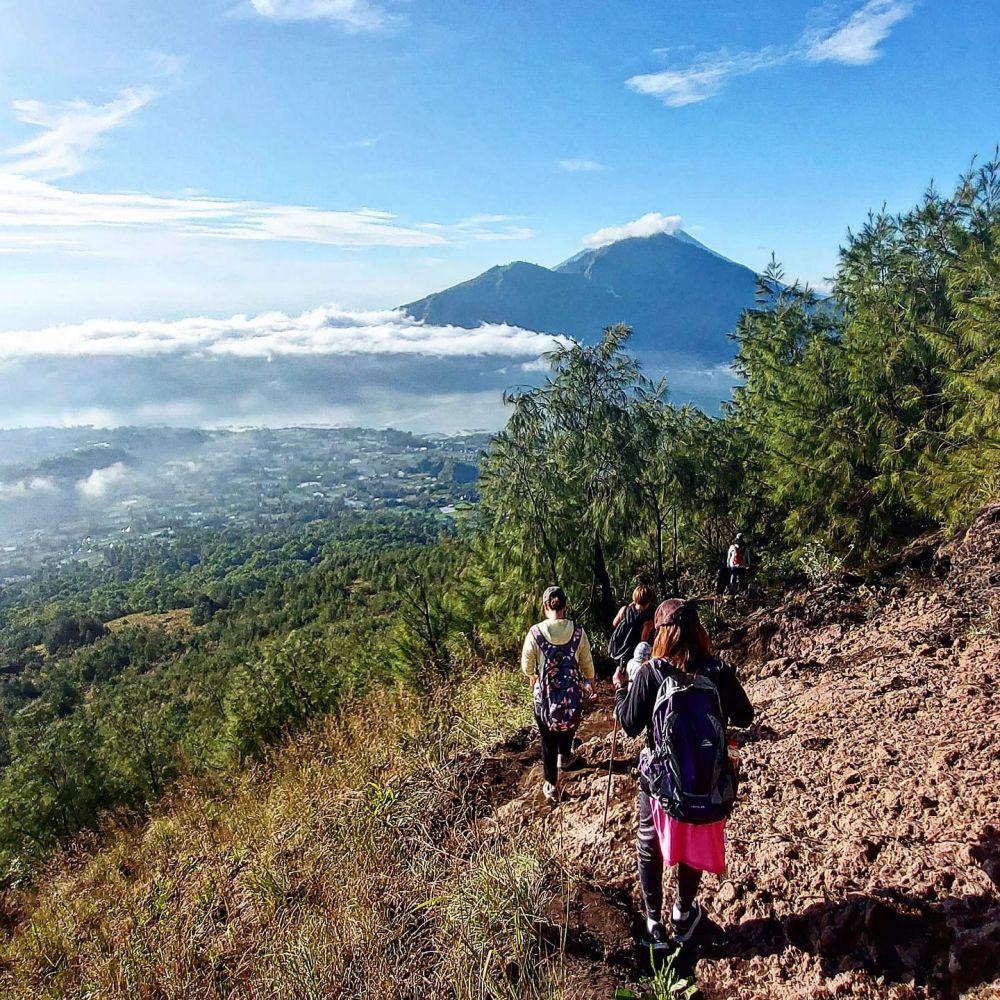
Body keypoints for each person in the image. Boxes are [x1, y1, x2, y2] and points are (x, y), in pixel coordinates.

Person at [613, 598, 754, 946]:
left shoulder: (652, 671)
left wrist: (620, 690)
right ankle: (684, 913)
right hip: (707, 782)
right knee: (694, 836)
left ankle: (653, 924)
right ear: (697, 629)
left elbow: (629, 724)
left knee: (650, 843)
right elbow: (745, 715)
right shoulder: (716, 670)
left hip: (660, 784)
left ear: (660, 633)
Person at [521, 585, 595, 803]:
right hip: (572, 694)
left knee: (547, 740)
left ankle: (551, 784)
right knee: (569, 719)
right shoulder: (578, 632)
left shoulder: (535, 633)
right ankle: (567, 755)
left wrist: (533, 674)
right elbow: (587, 663)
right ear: (565, 605)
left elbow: (527, 665)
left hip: (545, 699)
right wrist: (590, 681)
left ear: (545, 606)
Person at [608, 585, 656, 670]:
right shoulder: (647, 620)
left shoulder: (624, 609)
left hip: (617, 649)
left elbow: (614, 623)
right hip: (631, 654)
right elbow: (643, 641)